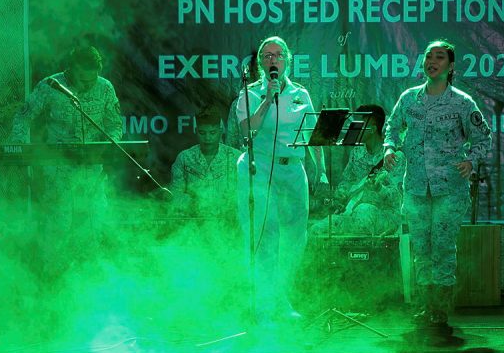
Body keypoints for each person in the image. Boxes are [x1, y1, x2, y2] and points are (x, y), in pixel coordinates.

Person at [384, 39, 492, 327]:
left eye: (440, 57)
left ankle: (440, 309)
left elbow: (484, 137)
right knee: (421, 247)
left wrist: (471, 160)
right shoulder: (409, 98)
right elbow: (392, 127)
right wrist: (389, 148)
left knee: (442, 246)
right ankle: (424, 305)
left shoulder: (462, 102)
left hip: (449, 189)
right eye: (429, 57)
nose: (432, 61)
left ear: (451, 66)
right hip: (417, 187)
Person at [8, 45, 123, 280]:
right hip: (57, 172)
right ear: (70, 70)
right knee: (57, 232)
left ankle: (88, 287)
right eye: (81, 79)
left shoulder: (105, 88)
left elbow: (115, 124)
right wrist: (20, 147)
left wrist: (109, 146)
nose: (86, 86)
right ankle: (53, 288)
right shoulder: (51, 86)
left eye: (91, 80)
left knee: (91, 231)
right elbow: (23, 116)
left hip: (91, 174)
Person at [235, 36, 327, 325]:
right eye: (267, 56)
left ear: (288, 60)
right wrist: (267, 100)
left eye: (278, 55)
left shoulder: (301, 93)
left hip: (293, 169)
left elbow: (314, 136)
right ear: (260, 63)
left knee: (294, 238)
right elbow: (246, 130)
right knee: (265, 236)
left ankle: (281, 298)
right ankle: (263, 306)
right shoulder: (249, 93)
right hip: (259, 168)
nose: (273, 60)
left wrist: (321, 172)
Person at [310, 104, 404, 236]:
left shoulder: (393, 157)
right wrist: (341, 194)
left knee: (363, 214)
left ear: (372, 129)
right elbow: (347, 180)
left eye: (359, 125)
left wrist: (379, 189)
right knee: (317, 230)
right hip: (352, 210)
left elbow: (397, 198)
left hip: (385, 214)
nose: (354, 129)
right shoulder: (357, 151)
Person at [170, 106, 241, 222]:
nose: (207, 138)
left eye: (212, 132)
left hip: (228, 225)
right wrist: (195, 203)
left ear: (220, 130)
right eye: (202, 133)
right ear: (196, 130)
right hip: (193, 226)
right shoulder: (185, 158)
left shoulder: (236, 158)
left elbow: (246, 195)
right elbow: (175, 194)